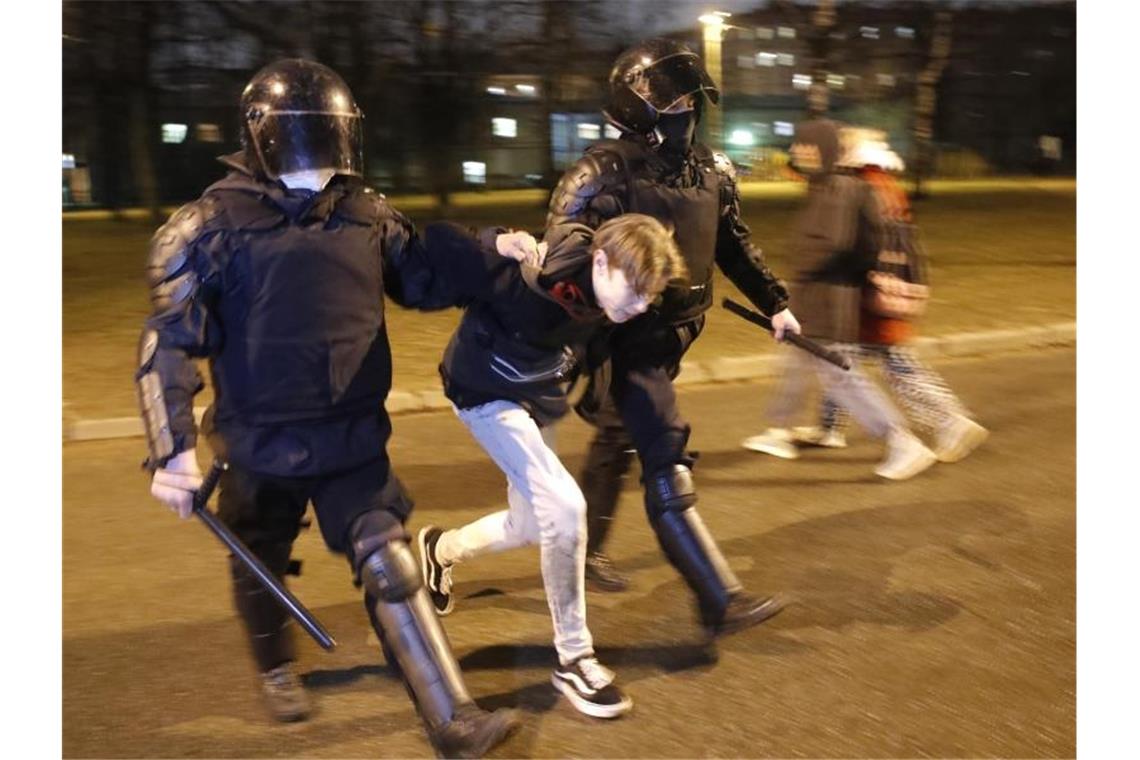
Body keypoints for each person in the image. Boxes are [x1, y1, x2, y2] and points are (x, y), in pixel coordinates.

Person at [137, 58, 525, 758]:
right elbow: (168, 342)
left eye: (330, 140)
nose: (320, 162)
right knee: (259, 558)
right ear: (264, 139)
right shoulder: (206, 229)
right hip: (259, 443)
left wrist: (495, 249)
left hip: (350, 437)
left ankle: (453, 719)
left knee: (391, 562)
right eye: (305, 141)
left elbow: (426, 274)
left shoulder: (366, 214)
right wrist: (172, 449)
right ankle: (276, 667)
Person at [540, 38, 798, 635]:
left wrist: (776, 304)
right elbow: (562, 256)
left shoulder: (710, 169)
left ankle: (556, 552)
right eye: (672, 101)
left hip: (675, 336)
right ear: (637, 107)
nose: (685, 111)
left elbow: (732, 244)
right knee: (660, 446)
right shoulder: (600, 171)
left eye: (691, 100)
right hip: (623, 340)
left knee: (618, 441)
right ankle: (717, 598)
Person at [396, 214, 685, 718]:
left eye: (648, 296)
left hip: (533, 400)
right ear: (600, 261)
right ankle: (574, 658)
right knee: (566, 507)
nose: (638, 305)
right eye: (634, 291)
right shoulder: (532, 273)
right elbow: (439, 242)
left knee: (532, 521)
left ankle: (440, 550)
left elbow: (603, 349)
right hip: (484, 395)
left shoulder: (609, 300)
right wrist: (493, 238)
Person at [754, 128, 988, 464]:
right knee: (840, 362)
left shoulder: (868, 187)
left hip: (873, 293)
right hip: (871, 291)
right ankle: (829, 427)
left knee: (884, 365)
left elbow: (865, 245)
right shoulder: (875, 184)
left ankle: (950, 420)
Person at [739, 120, 938, 481]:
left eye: (809, 147)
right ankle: (781, 431)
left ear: (826, 150)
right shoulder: (825, 187)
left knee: (841, 377)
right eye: (799, 146)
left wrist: (812, 268)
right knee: (803, 364)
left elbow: (837, 244)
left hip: (828, 300)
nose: (801, 152)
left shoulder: (841, 189)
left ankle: (902, 441)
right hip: (815, 296)